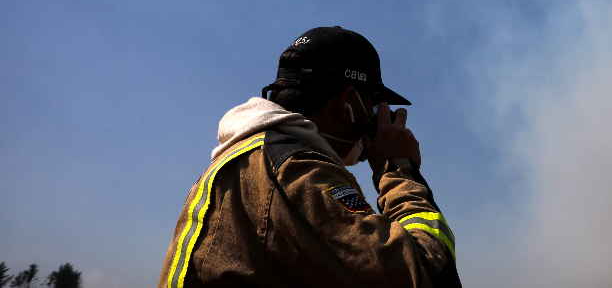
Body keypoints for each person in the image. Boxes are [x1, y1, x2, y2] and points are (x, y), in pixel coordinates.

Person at [158, 26, 459, 288]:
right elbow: (429, 274)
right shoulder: (295, 169)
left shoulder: (246, 159)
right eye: (374, 105)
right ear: (349, 105)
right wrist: (397, 167)